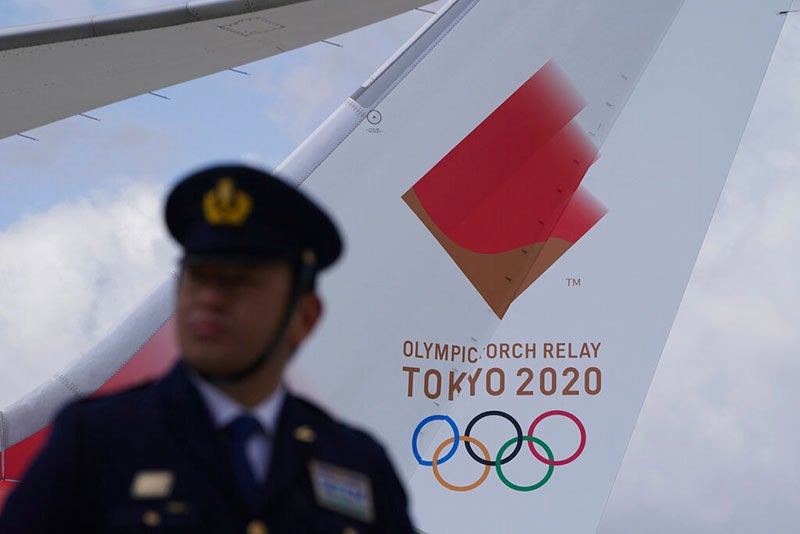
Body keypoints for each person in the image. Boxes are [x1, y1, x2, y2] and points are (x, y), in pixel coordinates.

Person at [0, 165, 414, 533]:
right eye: (198, 277)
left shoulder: (358, 465)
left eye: (240, 281)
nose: (210, 298)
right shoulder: (95, 442)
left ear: (304, 316)